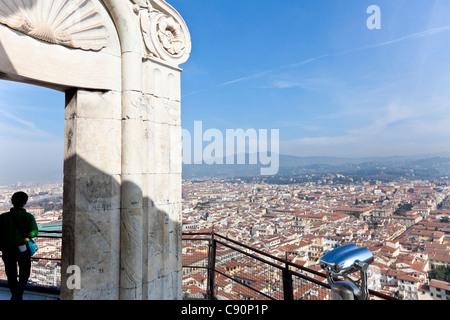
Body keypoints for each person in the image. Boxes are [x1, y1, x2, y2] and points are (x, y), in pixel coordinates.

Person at [0, 192, 39, 300]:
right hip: (22, 248)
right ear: (25, 203)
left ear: (12, 202)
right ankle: (18, 295)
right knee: (24, 272)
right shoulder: (28, 217)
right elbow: (34, 232)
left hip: (7, 249)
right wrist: (26, 238)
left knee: (11, 273)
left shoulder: (3, 217)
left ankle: (16, 295)